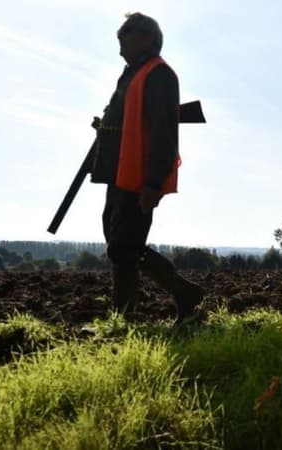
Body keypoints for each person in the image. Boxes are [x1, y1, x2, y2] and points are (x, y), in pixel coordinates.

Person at [89, 12, 204, 323]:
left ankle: (125, 318)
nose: (119, 49)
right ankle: (181, 296)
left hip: (138, 177)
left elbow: (164, 134)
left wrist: (152, 184)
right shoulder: (132, 74)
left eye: (123, 40)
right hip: (118, 174)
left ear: (144, 39)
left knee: (125, 246)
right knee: (121, 246)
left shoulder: (160, 75)